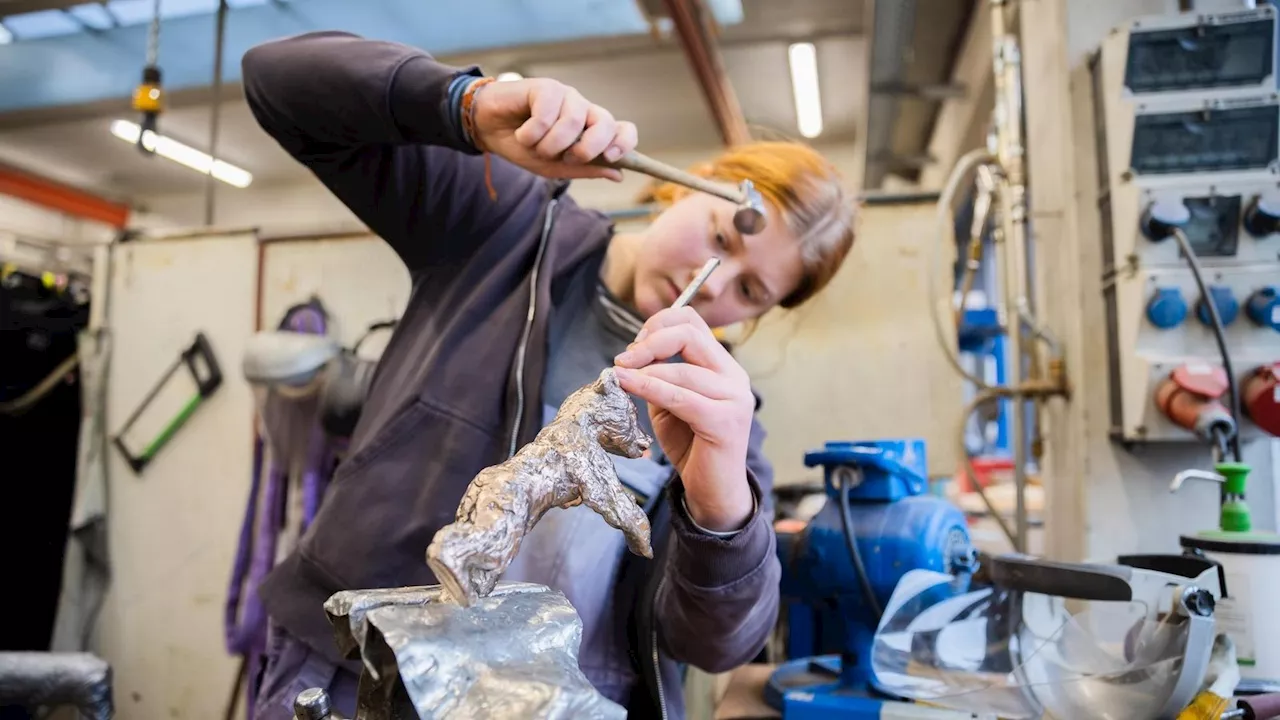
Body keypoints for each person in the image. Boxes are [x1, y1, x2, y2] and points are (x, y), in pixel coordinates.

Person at [240, 29, 856, 720]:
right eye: (721, 238)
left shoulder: (715, 422)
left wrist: (722, 515)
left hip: (559, 697)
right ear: (689, 187)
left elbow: (718, 644)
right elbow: (276, 79)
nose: (709, 281)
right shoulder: (501, 226)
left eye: (750, 292)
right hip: (364, 662)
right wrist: (464, 106)